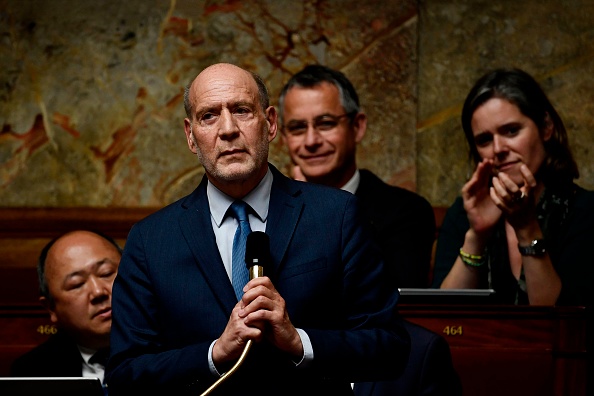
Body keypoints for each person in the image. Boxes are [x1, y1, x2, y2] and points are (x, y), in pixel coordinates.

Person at [105, 63, 409, 395]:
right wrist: (215, 353)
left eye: (241, 110)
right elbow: (124, 375)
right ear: (191, 136)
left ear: (271, 123)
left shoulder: (336, 215)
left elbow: (390, 347)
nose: (228, 129)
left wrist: (298, 341)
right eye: (209, 116)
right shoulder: (150, 241)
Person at [432, 68, 594, 306]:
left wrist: (527, 229)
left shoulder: (584, 212)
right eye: (484, 140)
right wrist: (476, 236)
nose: (498, 148)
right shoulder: (463, 214)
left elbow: (561, 329)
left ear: (546, 127)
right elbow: (445, 320)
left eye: (511, 131)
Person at [278, 64, 436, 288]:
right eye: (297, 128)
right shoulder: (270, 210)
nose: (311, 141)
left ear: (357, 127)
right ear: (284, 137)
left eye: (326, 124)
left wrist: (315, 219)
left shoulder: (406, 212)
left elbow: (387, 304)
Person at [10, 230, 122, 384]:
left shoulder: (167, 349)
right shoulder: (31, 374)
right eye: (76, 284)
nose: (98, 292)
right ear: (50, 308)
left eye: (106, 273)